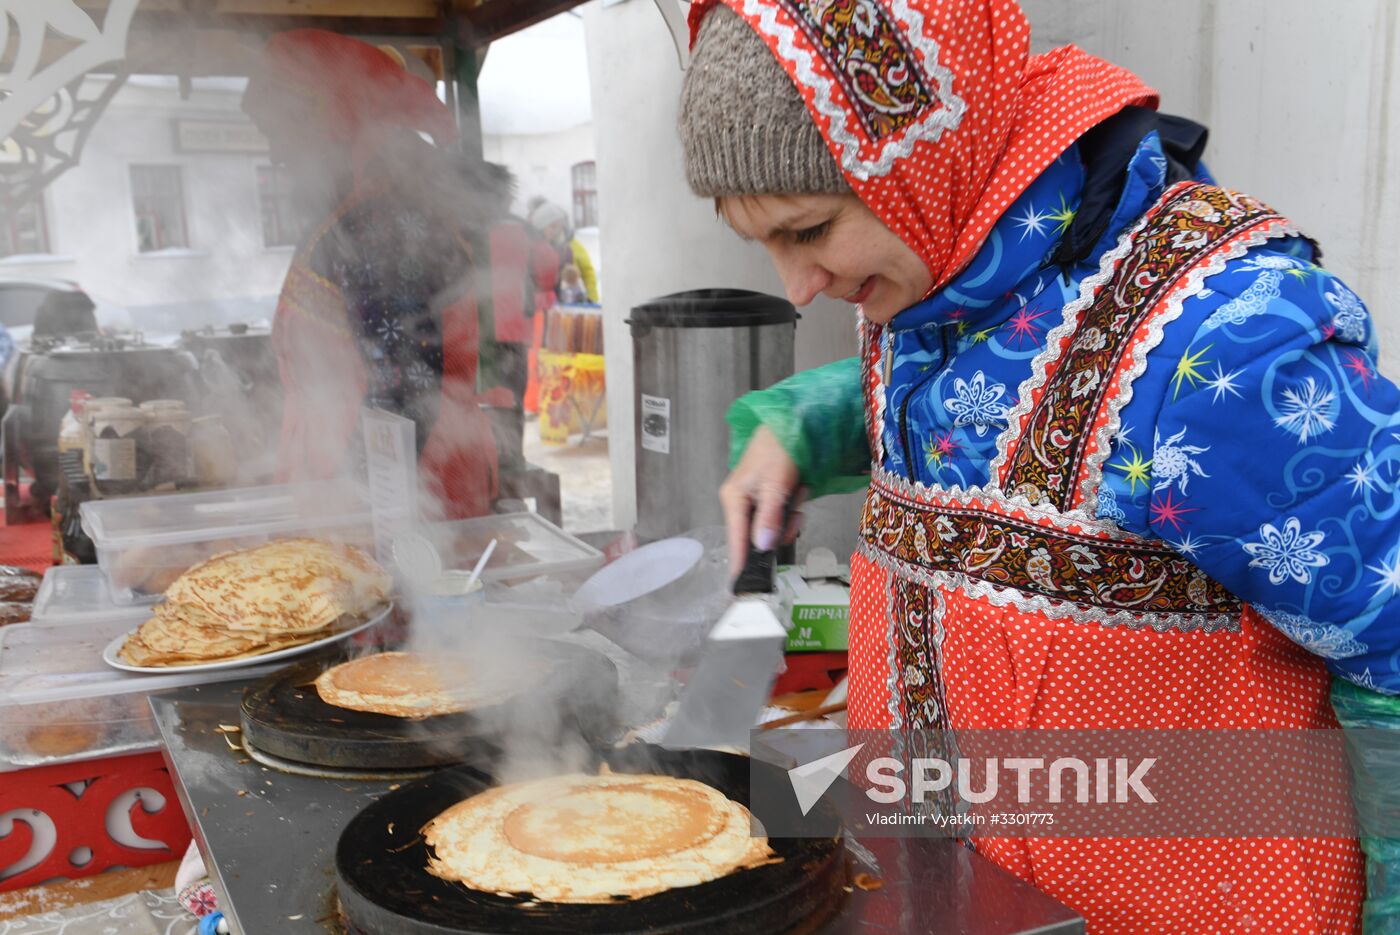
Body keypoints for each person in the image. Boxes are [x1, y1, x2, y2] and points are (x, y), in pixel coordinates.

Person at [680, 1, 1395, 931]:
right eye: (765, 242)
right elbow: (985, 390)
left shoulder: (1229, 350)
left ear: (926, 161)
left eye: (809, 230)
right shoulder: (931, 277)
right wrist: (807, 421)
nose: (796, 285)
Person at [241, 30, 498, 519]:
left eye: (279, 132)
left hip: (400, 495)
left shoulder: (383, 224)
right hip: (348, 480)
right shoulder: (349, 215)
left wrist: (358, 515)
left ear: (327, 120)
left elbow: (404, 397)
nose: (275, 153)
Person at [528, 199, 600, 304]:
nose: (556, 231)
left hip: (562, 305)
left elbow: (586, 272)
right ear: (541, 226)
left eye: (559, 227)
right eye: (552, 227)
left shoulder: (567, 249)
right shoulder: (531, 248)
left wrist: (589, 298)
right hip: (538, 307)